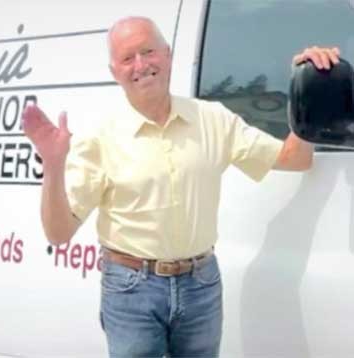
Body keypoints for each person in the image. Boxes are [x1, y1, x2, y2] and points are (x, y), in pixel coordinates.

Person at [22, 16, 340, 358]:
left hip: (200, 285)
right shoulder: (100, 137)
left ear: (168, 54)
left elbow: (296, 158)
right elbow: (59, 233)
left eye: (148, 51)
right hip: (132, 290)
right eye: (128, 58)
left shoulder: (212, 119)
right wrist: (53, 166)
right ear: (115, 71)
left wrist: (306, 84)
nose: (141, 65)